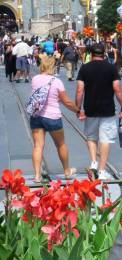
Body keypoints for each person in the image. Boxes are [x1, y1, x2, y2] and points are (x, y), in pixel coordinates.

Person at [75, 42, 122, 180]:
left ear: (91, 54)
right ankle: (102, 170)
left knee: (91, 137)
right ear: (104, 53)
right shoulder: (111, 68)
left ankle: (93, 162)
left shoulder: (84, 68)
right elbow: (117, 89)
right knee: (106, 139)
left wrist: (78, 108)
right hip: (107, 109)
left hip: (90, 109)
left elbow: (80, 90)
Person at [29, 54, 79, 183]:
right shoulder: (57, 81)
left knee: (38, 146)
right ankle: (67, 171)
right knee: (60, 144)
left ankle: (37, 175)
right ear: (53, 66)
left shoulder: (35, 79)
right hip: (52, 117)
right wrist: (78, 110)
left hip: (36, 116)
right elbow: (67, 102)